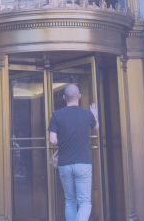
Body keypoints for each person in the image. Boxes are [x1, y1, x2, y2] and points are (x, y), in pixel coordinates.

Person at [47, 84, 99, 221]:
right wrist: (94, 116)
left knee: (70, 201)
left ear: (64, 98)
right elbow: (96, 128)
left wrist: (63, 140)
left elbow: (52, 140)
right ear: (79, 97)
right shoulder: (87, 114)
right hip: (83, 163)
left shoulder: (56, 115)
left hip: (65, 163)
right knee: (85, 202)